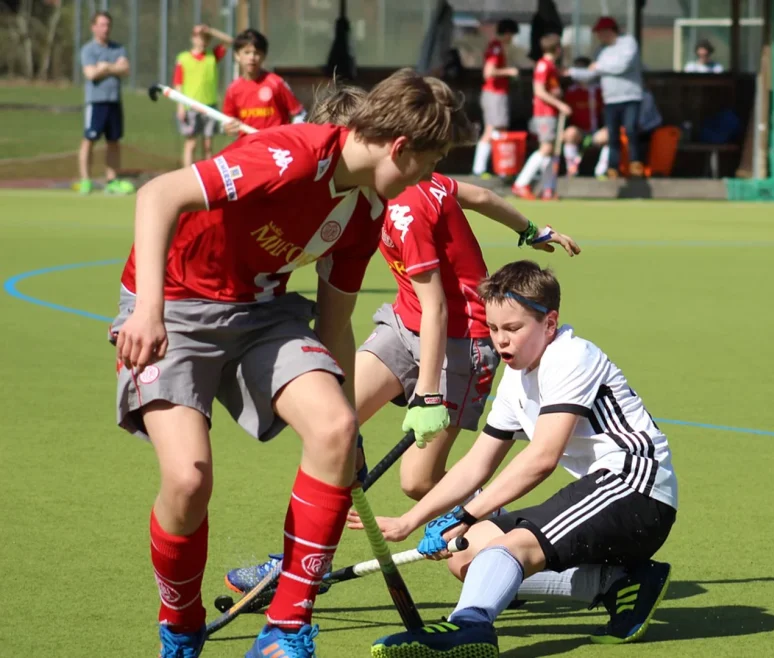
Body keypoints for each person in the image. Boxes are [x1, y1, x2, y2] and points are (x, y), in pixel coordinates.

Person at [110, 69, 467, 658]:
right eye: (427, 164)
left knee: (333, 428)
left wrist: (348, 427)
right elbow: (158, 195)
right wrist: (147, 309)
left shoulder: (366, 212)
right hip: (171, 306)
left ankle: (285, 629)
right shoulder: (288, 157)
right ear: (399, 147)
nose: (428, 178)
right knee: (188, 479)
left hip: (261, 313)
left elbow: (333, 324)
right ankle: (180, 623)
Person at [222, 84, 581, 597]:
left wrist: (428, 393)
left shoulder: (403, 205)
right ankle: (303, 562)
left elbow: (436, 305)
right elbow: (477, 195)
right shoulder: (388, 187)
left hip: (462, 340)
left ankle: (499, 527)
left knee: (417, 481)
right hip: (401, 325)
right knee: (329, 430)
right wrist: (531, 230)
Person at [349, 260, 678, 657]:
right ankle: (618, 583)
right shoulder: (515, 377)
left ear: (550, 324)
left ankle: (469, 626)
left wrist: (466, 515)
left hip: (636, 487)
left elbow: (542, 458)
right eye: (493, 329)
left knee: (512, 546)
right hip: (602, 491)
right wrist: (411, 520)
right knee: (467, 557)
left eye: (514, 329)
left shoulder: (571, 356)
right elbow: (477, 463)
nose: (501, 341)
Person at [567, 17, 645, 178]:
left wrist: (600, 67)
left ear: (609, 30)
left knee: (630, 129)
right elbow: (591, 73)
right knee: (612, 134)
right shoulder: (601, 51)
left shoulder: (628, 43)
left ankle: (635, 164)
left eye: (600, 32)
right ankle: (612, 168)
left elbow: (622, 66)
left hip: (630, 97)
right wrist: (571, 72)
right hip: (610, 99)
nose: (599, 36)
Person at [78, 11, 134, 195]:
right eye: (101, 25)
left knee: (114, 141)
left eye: (108, 25)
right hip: (96, 102)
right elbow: (91, 74)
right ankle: (86, 180)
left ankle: (111, 180)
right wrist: (112, 67)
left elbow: (125, 69)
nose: (105, 29)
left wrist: (105, 67)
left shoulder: (118, 48)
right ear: (93, 27)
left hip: (114, 101)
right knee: (89, 140)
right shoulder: (88, 50)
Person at [511, 33, 572, 200]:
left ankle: (547, 190)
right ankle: (521, 184)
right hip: (544, 113)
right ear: (558, 49)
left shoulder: (551, 67)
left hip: (550, 113)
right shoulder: (543, 66)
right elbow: (539, 91)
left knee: (549, 151)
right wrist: (560, 104)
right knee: (545, 148)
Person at [222, 29, 306, 135]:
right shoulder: (233, 89)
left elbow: (299, 113)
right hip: (248, 146)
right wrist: (228, 128)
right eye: (247, 52)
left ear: (264, 56)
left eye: (256, 53)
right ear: (237, 56)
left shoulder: (276, 83)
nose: (252, 57)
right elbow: (228, 122)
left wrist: (290, 135)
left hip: (275, 147)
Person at [173, 24, 232, 168]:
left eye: (206, 38)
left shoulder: (212, 56)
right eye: (199, 37)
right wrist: (180, 106)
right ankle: (186, 174)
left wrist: (211, 30)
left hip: (210, 105)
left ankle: (208, 174)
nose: (202, 41)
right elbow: (178, 82)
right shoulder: (184, 58)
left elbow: (230, 41)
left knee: (208, 145)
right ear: (193, 38)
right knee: (191, 143)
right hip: (190, 106)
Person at [472, 19, 521, 179]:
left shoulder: (496, 47)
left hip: (495, 93)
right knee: (492, 130)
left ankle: (500, 167)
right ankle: (480, 168)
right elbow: (489, 72)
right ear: (507, 33)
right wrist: (510, 71)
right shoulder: (496, 47)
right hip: (494, 93)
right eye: (512, 35)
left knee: (499, 130)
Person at [561, 56, 603, 175]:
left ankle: (602, 171)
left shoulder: (600, 90)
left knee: (610, 134)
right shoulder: (571, 92)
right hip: (580, 133)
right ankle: (572, 169)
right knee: (570, 133)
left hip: (596, 133)